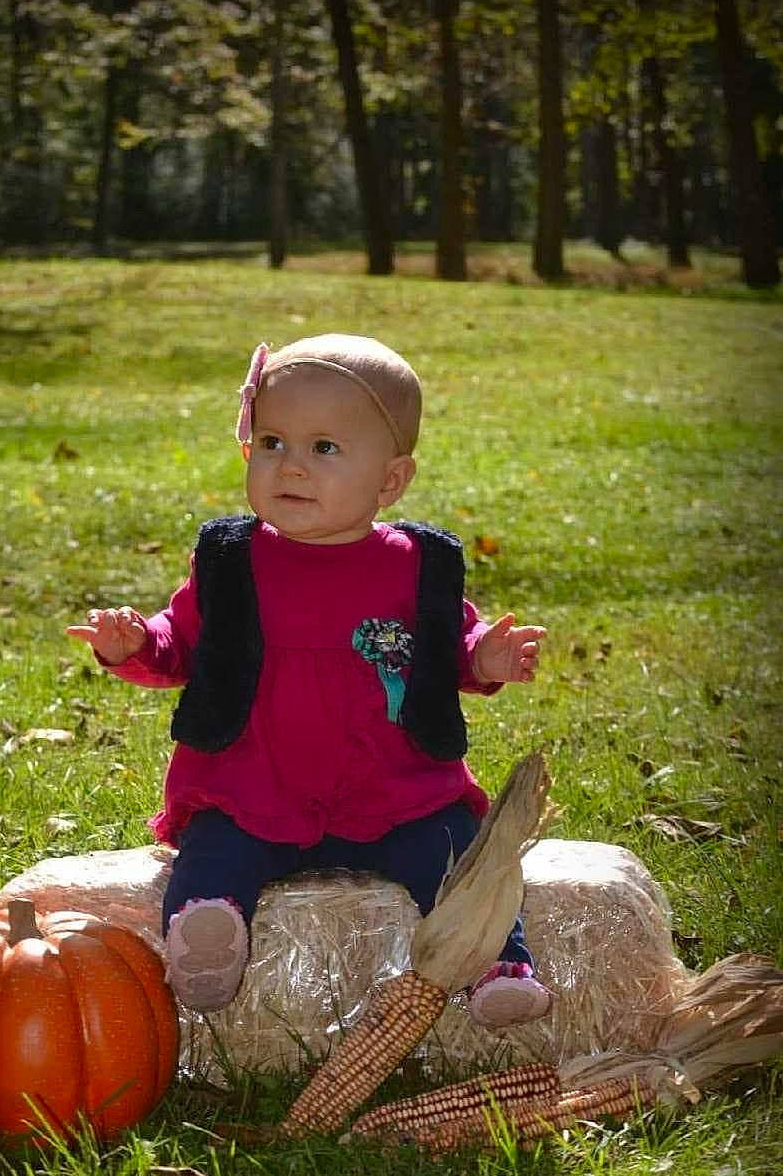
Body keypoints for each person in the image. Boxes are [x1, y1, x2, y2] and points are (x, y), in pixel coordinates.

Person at [67, 333, 552, 1029]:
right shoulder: (232, 562)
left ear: (390, 481)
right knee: (213, 848)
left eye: (323, 449)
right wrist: (134, 643)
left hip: (392, 790)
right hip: (254, 787)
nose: (290, 466)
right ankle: (208, 935)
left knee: (453, 856)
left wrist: (487, 660)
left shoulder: (416, 567)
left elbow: (451, 650)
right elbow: (179, 649)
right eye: (271, 442)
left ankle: (495, 963)